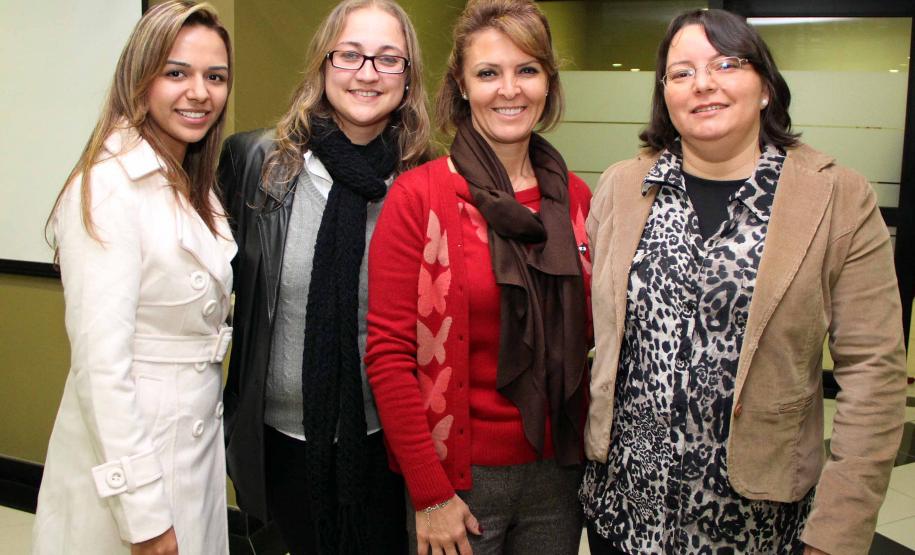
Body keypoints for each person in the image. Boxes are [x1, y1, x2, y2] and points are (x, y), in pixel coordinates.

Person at [580, 8, 907, 555]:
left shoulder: (835, 198)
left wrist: (838, 531)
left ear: (765, 89)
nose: (703, 83)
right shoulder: (622, 187)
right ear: (665, 95)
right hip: (625, 514)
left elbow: (875, 375)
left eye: (726, 64)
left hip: (755, 525)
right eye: (681, 72)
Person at [365, 1, 592, 553]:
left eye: (527, 70)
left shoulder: (577, 198)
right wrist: (430, 494)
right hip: (459, 484)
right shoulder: (418, 197)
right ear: (462, 87)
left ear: (548, 84)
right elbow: (389, 354)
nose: (509, 89)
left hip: (559, 474)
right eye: (488, 73)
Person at [217, 1, 430, 553]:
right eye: (350, 54)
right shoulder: (256, 163)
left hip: (388, 447)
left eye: (388, 59)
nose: (367, 73)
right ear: (322, 64)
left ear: (408, 81)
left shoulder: (427, 182)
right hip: (281, 442)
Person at [32, 2, 234, 554]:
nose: (199, 92)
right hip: (138, 452)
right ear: (139, 77)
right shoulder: (110, 186)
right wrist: (143, 513)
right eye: (177, 73)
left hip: (190, 441)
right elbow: (101, 368)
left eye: (214, 77)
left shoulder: (190, 180)